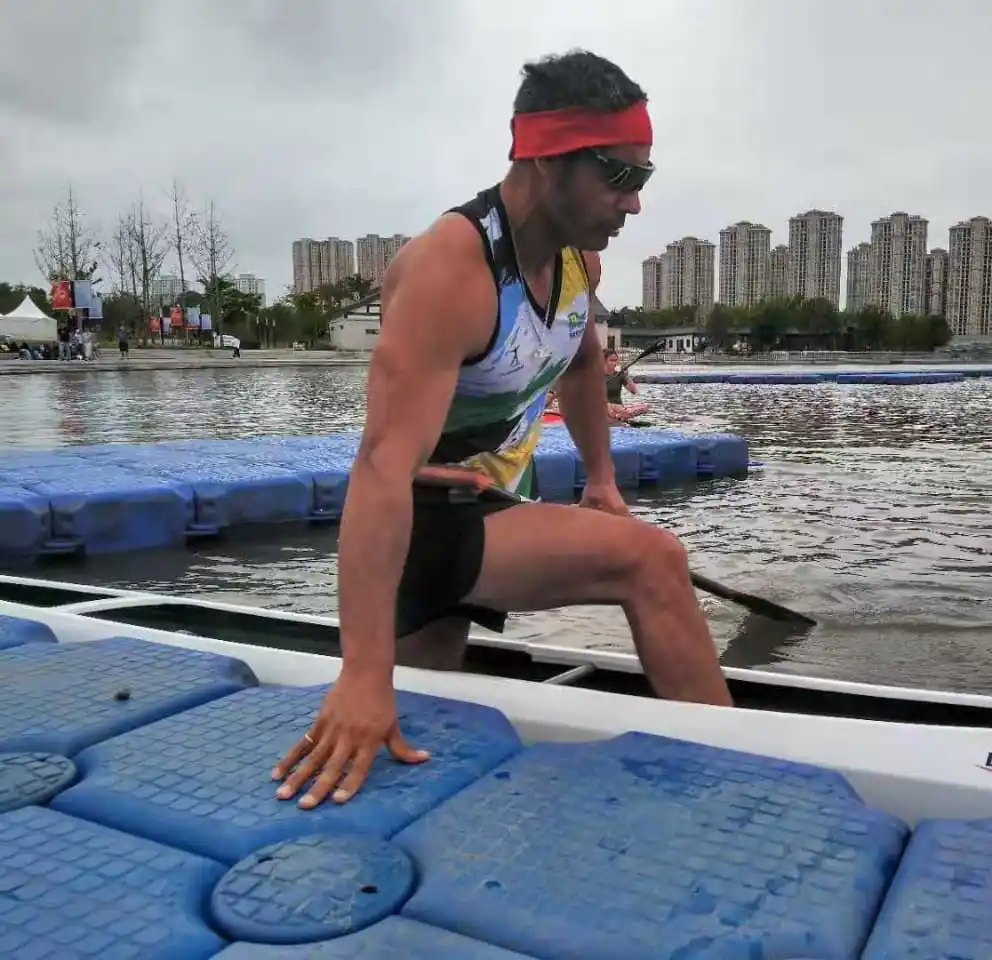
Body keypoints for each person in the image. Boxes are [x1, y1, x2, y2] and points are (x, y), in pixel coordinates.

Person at [271, 50, 733, 811]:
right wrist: (361, 673)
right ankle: (741, 778)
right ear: (549, 159)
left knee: (422, 734)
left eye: (643, 179)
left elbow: (584, 361)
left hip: (487, 505)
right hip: (419, 516)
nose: (636, 204)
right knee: (651, 561)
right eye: (621, 177)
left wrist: (603, 481)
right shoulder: (451, 270)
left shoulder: (580, 259)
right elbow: (382, 469)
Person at [603, 347, 649, 422]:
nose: (614, 363)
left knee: (644, 407)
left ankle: (619, 416)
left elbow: (633, 391)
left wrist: (626, 376)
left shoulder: (620, 375)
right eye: (611, 360)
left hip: (619, 409)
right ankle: (616, 417)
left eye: (615, 360)